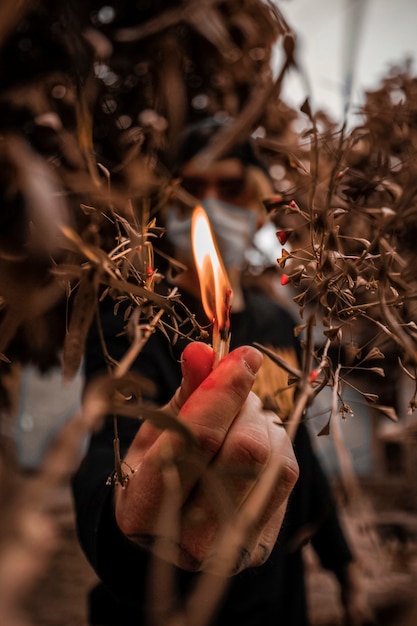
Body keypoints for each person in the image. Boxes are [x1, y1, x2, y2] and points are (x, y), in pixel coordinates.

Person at [72, 118, 370, 625]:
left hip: (277, 599)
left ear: (257, 205)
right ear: (168, 203)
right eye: (192, 189)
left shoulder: (277, 320)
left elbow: (303, 451)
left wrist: (344, 568)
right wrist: (126, 528)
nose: (209, 206)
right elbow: (110, 450)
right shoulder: (133, 326)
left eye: (230, 189)